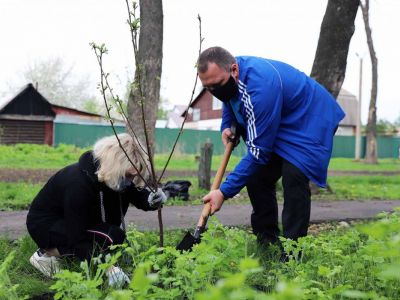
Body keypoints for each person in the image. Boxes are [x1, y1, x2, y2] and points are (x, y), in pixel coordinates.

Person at [199, 46, 345, 249]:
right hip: (283, 118)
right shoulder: (230, 76)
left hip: (311, 119)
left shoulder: (259, 88)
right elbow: (230, 99)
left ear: (234, 70)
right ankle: (267, 242)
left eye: (218, 84)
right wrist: (227, 126)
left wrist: (223, 192)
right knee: (257, 177)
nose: (214, 91)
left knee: (294, 176)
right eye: (208, 87)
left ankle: (293, 252)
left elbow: (258, 153)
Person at [26, 133, 167, 286]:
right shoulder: (78, 185)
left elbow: (132, 192)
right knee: (109, 238)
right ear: (116, 167)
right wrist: (108, 269)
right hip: (46, 225)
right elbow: (77, 237)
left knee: (114, 238)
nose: (130, 181)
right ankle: (44, 255)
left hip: (77, 220)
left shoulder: (110, 174)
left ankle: (71, 255)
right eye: (128, 176)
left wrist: (151, 200)